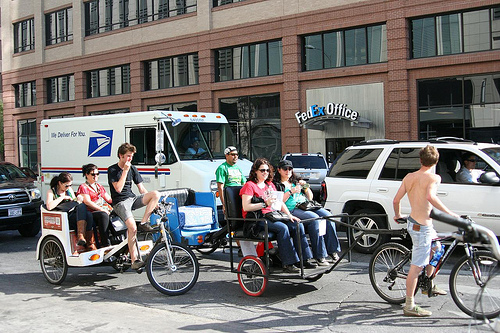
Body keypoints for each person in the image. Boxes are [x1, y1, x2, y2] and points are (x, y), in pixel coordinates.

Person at [393, 145, 459, 317]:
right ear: (436, 161)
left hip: (418, 223)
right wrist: (450, 214)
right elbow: (430, 197)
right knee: (416, 266)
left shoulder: (409, 177)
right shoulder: (434, 178)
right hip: (421, 228)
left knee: (437, 249)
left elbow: (396, 200)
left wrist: (398, 215)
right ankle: (409, 305)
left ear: (420, 160)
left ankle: (427, 284)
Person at [240, 158, 316, 273]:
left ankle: (304, 259)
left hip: (273, 214)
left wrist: (289, 215)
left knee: (297, 225)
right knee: (282, 228)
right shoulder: (250, 185)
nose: (265, 172)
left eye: (267, 170)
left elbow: (279, 203)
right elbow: (246, 207)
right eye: (262, 170)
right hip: (257, 218)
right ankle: (288, 263)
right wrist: (264, 204)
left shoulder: (269, 185)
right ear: (255, 171)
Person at [273, 160, 341, 266]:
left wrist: (306, 187)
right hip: (292, 208)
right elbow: (279, 202)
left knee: (328, 216)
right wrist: (291, 191)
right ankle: (320, 255)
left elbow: (310, 197)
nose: (288, 171)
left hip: (306, 205)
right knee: (314, 219)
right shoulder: (277, 184)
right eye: (285, 169)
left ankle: (332, 250)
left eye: (290, 169)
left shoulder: (296, 180)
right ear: (279, 170)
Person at [108, 143, 161, 270]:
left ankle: (144, 222)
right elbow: (118, 189)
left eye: (131, 156)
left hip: (132, 198)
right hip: (120, 202)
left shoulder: (133, 168)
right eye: (128, 156)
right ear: (120, 156)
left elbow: (142, 188)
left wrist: (153, 202)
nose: (130, 159)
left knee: (155, 194)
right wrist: (125, 171)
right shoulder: (113, 170)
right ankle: (135, 260)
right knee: (132, 227)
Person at [46, 172, 96, 251]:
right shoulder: (52, 191)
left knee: (88, 213)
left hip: (73, 214)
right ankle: (84, 239)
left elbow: (75, 201)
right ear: (60, 183)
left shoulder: (69, 190)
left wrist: (78, 199)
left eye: (70, 185)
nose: (68, 187)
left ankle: (87, 241)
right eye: (66, 185)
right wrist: (62, 198)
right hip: (63, 218)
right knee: (86, 213)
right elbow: (49, 206)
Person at [77, 164, 113, 247]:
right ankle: (105, 243)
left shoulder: (99, 186)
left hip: (101, 209)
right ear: (86, 174)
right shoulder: (83, 187)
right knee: (103, 215)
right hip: (91, 212)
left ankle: (119, 238)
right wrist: (102, 209)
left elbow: (109, 199)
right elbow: (88, 202)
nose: (95, 176)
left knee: (117, 212)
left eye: (97, 174)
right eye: (93, 174)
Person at [216, 146, 246, 216]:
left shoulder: (238, 168)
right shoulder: (222, 168)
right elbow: (220, 187)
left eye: (237, 155)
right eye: (233, 154)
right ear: (226, 155)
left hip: (239, 197)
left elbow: (244, 183)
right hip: (230, 199)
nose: (235, 157)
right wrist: (224, 204)